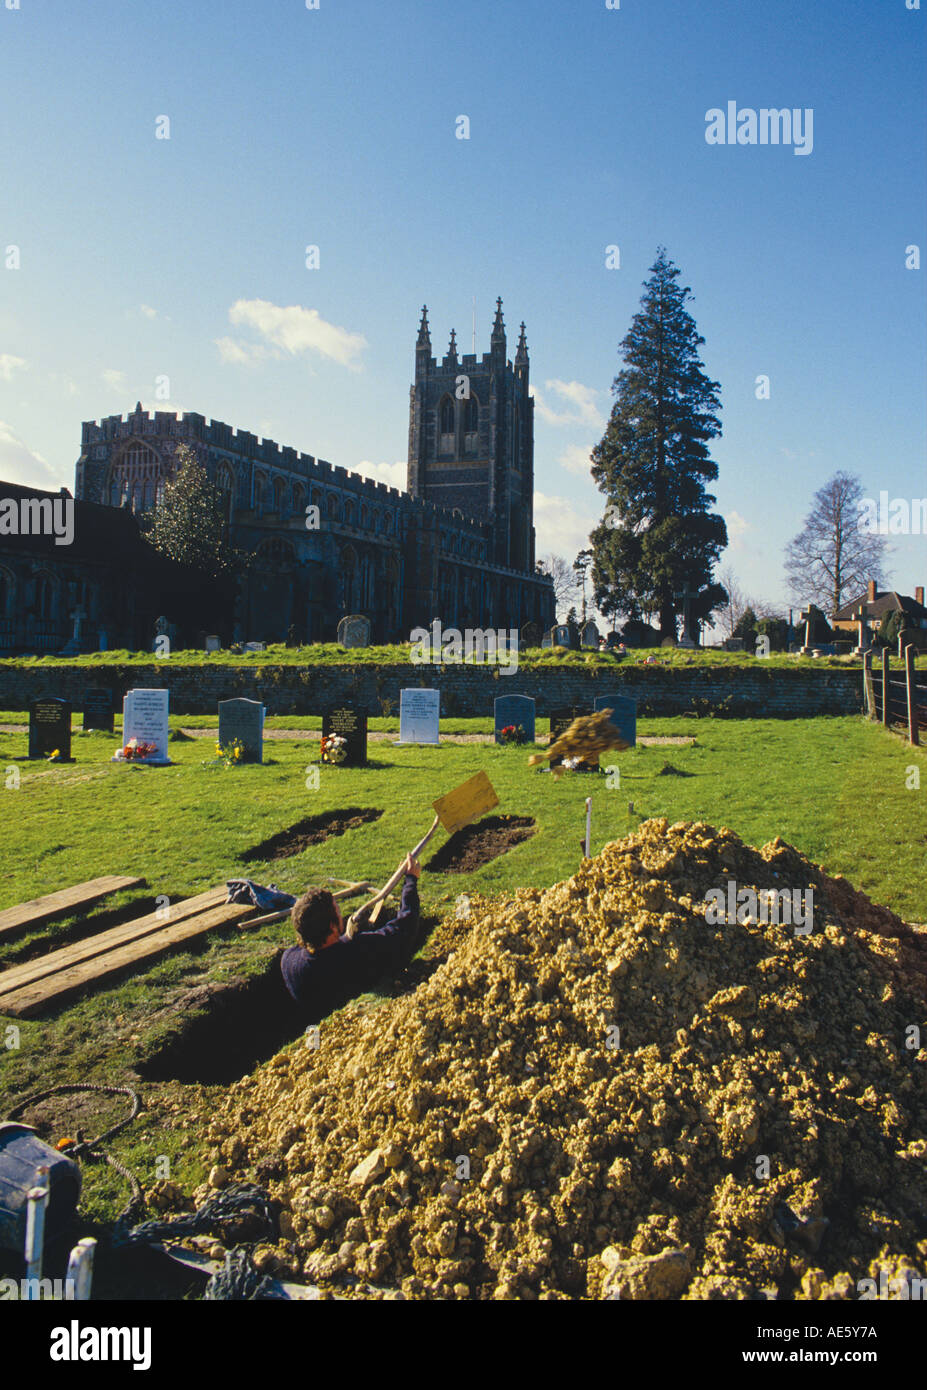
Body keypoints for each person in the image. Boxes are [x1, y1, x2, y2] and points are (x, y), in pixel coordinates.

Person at [277, 855, 421, 1023]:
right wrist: (411, 879)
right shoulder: (354, 953)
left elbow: (326, 954)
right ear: (331, 927)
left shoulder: (288, 960)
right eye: (338, 912)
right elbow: (403, 927)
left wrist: (345, 937)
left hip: (314, 1034)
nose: (341, 915)